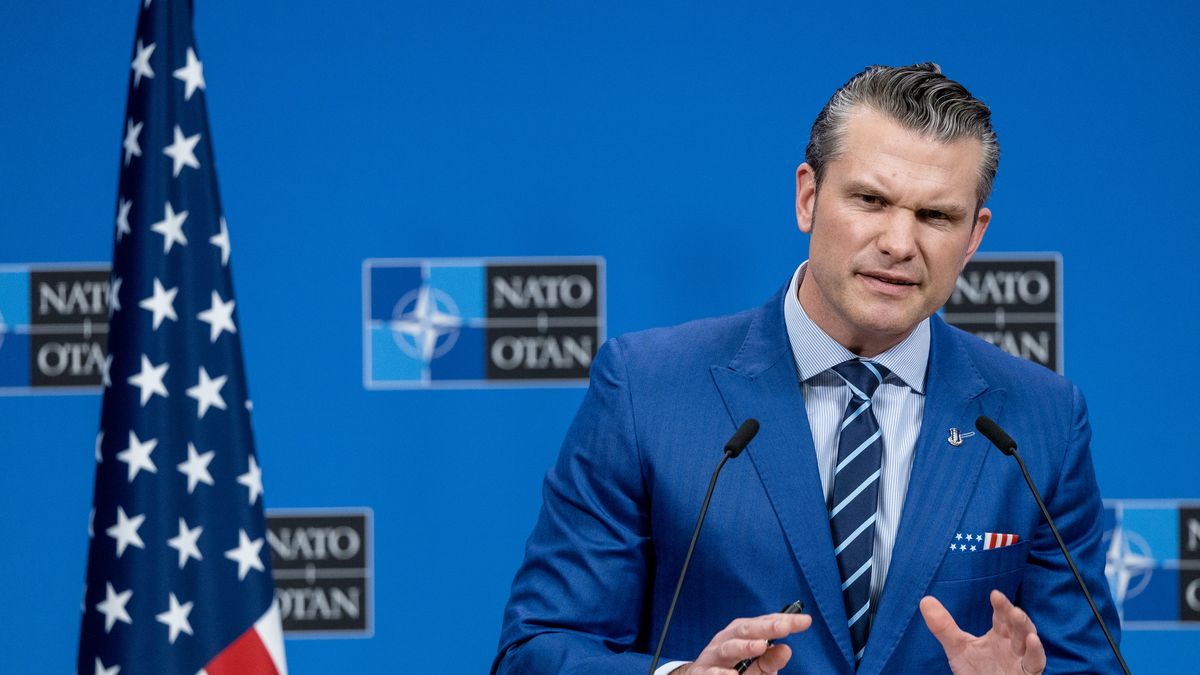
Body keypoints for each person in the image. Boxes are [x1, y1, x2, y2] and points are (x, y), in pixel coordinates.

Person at [493, 63, 1120, 674]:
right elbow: (539, 649)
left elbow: (1089, 663)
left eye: (936, 216)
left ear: (974, 235)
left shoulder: (1040, 418)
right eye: (870, 200)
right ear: (808, 198)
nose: (900, 244)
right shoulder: (647, 389)